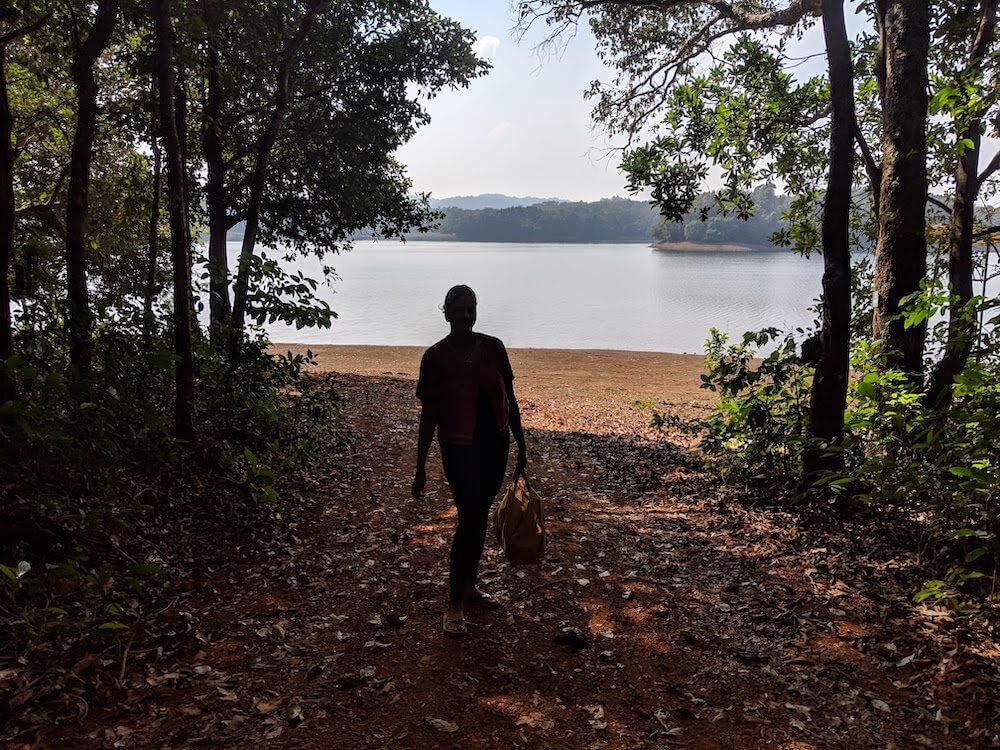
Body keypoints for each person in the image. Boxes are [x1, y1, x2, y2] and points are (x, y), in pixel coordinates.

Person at [412, 285, 527, 637]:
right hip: (457, 447)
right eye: (457, 309)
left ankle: (469, 586)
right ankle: (454, 604)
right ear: (445, 313)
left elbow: (510, 397)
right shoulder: (435, 357)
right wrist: (420, 468)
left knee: (478, 519)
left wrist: (522, 446)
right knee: (470, 517)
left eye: (469, 309)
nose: (464, 315)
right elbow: (429, 414)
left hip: (495, 444)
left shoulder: (493, 348)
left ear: (476, 311)